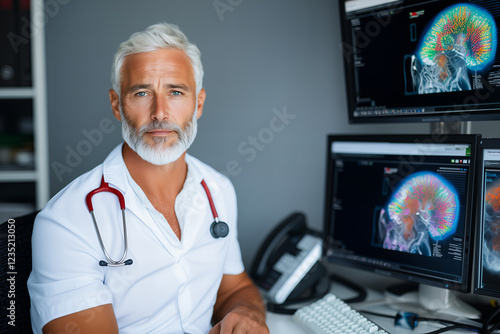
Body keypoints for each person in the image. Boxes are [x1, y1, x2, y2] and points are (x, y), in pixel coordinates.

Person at [27, 23, 269, 334]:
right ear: (117, 105)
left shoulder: (219, 190)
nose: (159, 112)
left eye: (176, 92)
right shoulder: (66, 220)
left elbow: (234, 289)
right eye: (142, 92)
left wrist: (247, 312)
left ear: (198, 104)